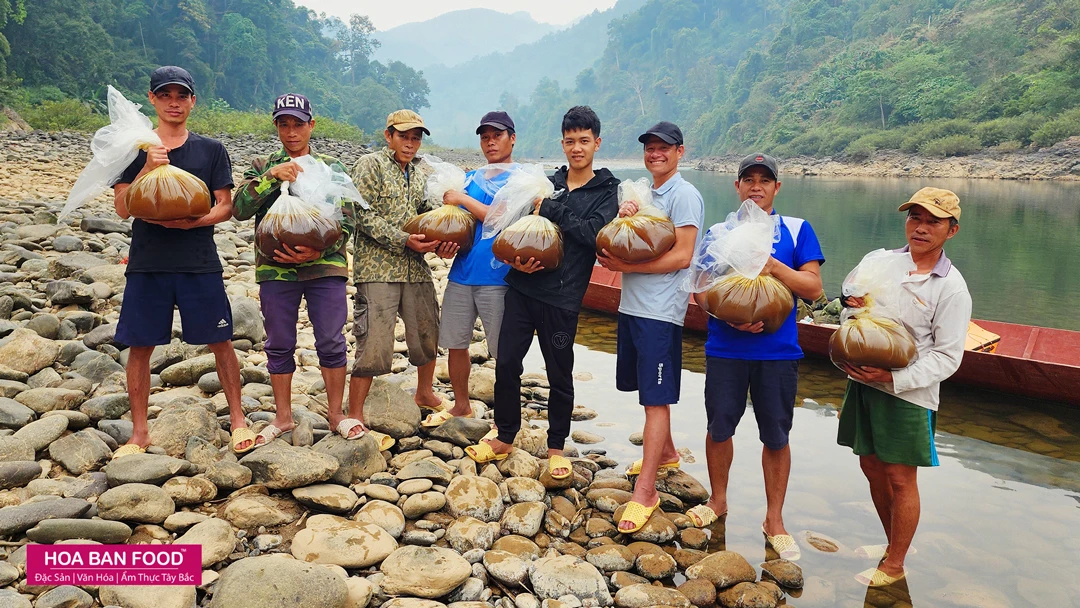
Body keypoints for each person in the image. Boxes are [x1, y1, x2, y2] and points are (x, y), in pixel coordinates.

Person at [465, 106, 619, 480]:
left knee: (559, 373)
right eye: (570, 142)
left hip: (563, 298)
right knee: (507, 365)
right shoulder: (546, 182)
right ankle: (504, 435)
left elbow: (592, 235)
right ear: (562, 144)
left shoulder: (607, 191)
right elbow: (515, 225)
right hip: (521, 288)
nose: (576, 148)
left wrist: (552, 208)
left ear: (597, 143)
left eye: (584, 141)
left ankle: (555, 447)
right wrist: (515, 261)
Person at [687, 154, 824, 562]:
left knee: (776, 436)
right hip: (726, 348)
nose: (757, 186)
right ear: (737, 186)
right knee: (719, 428)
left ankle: (774, 520)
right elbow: (700, 291)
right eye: (749, 179)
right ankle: (718, 501)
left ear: (777, 188)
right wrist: (730, 315)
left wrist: (772, 265)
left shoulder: (796, 230)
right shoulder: (718, 231)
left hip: (778, 352)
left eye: (766, 180)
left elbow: (813, 288)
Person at [110, 66, 250, 457]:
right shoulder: (135, 148)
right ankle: (139, 432)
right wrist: (149, 168)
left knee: (220, 341)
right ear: (152, 99)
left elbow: (224, 206)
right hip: (148, 261)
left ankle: (238, 419)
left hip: (198, 260)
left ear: (192, 100)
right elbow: (122, 208)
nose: (174, 102)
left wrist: (191, 222)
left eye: (182, 95)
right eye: (165, 94)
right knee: (140, 346)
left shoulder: (210, 150)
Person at [836, 188, 971, 587]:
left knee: (899, 477)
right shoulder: (881, 263)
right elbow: (848, 309)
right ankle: (893, 544)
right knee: (871, 468)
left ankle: (894, 566)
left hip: (908, 395)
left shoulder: (950, 287)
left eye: (933, 221)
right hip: (863, 383)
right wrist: (851, 307)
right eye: (915, 218)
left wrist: (893, 378)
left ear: (952, 230)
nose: (921, 228)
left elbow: (948, 358)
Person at [595, 121, 704, 533]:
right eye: (650, 148)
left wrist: (625, 266)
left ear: (680, 152)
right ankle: (669, 454)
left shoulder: (685, 195)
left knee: (656, 401)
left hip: (661, 311)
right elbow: (633, 240)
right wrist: (626, 218)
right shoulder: (645, 194)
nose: (656, 153)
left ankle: (646, 491)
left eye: (664, 148)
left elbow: (682, 257)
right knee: (646, 390)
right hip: (632, 306)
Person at [232, 93, 357, 446]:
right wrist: (272, 176)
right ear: (276, 126)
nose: (291, 132)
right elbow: (239, 209)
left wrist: (317, 249)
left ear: (311, 126)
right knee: (280, 342)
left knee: (332, 340)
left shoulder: (331, 168)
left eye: (298, 124)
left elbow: (348, 219)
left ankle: (335, 415)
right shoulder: (262, 164)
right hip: (275, 270)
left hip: (326, 268)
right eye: (284, 124)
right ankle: (283, 417)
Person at [348, 110, 456, 441]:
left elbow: (428, 214)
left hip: (416, 266)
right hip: (378, 265)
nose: (410, 143)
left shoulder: (424, 172)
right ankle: (354, 414)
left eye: (416, 137)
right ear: (388, 135)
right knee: (374, 341)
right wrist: (402, 239)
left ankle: (424, 393)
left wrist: (442, 239)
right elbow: (357, 213)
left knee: (427, 330)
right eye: (404, 136)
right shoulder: (370, 165)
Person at [423, 111, 518, 427]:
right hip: (462, 274)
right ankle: (461, 405)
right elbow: (454, 226)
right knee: (456, 343)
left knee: (503, 351)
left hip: (499, 277)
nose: (490, 141)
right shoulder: (469, 178)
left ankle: (507, 418)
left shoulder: (520, 179)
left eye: (498, 135)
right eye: (485, 136)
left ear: (512, 138)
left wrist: (461, 197)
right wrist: (443, 247)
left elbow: (499, 218)